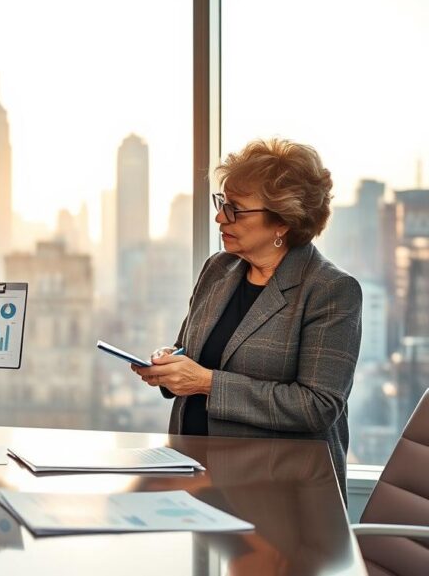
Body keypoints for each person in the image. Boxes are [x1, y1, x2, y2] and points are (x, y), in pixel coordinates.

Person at [131, 137, 361, 493]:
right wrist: (170, 364)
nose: (220, 216)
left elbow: (317, 406)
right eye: (222, 202)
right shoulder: (218, 269)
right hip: (193, 476)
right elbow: (189, 350)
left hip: (279, 494)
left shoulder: (329, 291)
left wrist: (206, 383)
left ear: (282, 222)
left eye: (235, 209)